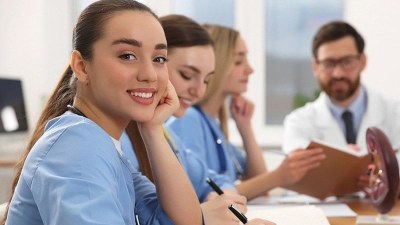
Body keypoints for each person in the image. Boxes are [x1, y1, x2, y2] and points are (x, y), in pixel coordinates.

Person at [2, 1, 203, 224]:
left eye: (159, 59)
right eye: (127, 55)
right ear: (81, 66)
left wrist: (152, 129)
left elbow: (184, 221)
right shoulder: (78, 147)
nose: (150, 75)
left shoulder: (106, 148)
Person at [127, 14, 274, 225]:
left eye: (206, 80)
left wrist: (219, 199)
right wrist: (204, 216)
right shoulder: (127, 139)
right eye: (187, 75)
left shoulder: (166, 134)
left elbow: (211, 180)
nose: (199, 91)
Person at [167, 24, 326, 200]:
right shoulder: (188, 119)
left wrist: (246, 128)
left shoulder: (212, 125)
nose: (250, 70)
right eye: (238, 61)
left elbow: (259, 186)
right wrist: (279, 176)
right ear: (217, 65)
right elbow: (201, 195)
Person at [282, 21, 400, 189]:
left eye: (347, 62)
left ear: (363, 61)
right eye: (329, 64)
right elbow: (296, 171)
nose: (338, 73)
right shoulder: (298, 121)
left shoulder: (395, 112)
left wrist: (391, 181)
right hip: (326, 212)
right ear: (315, 67)